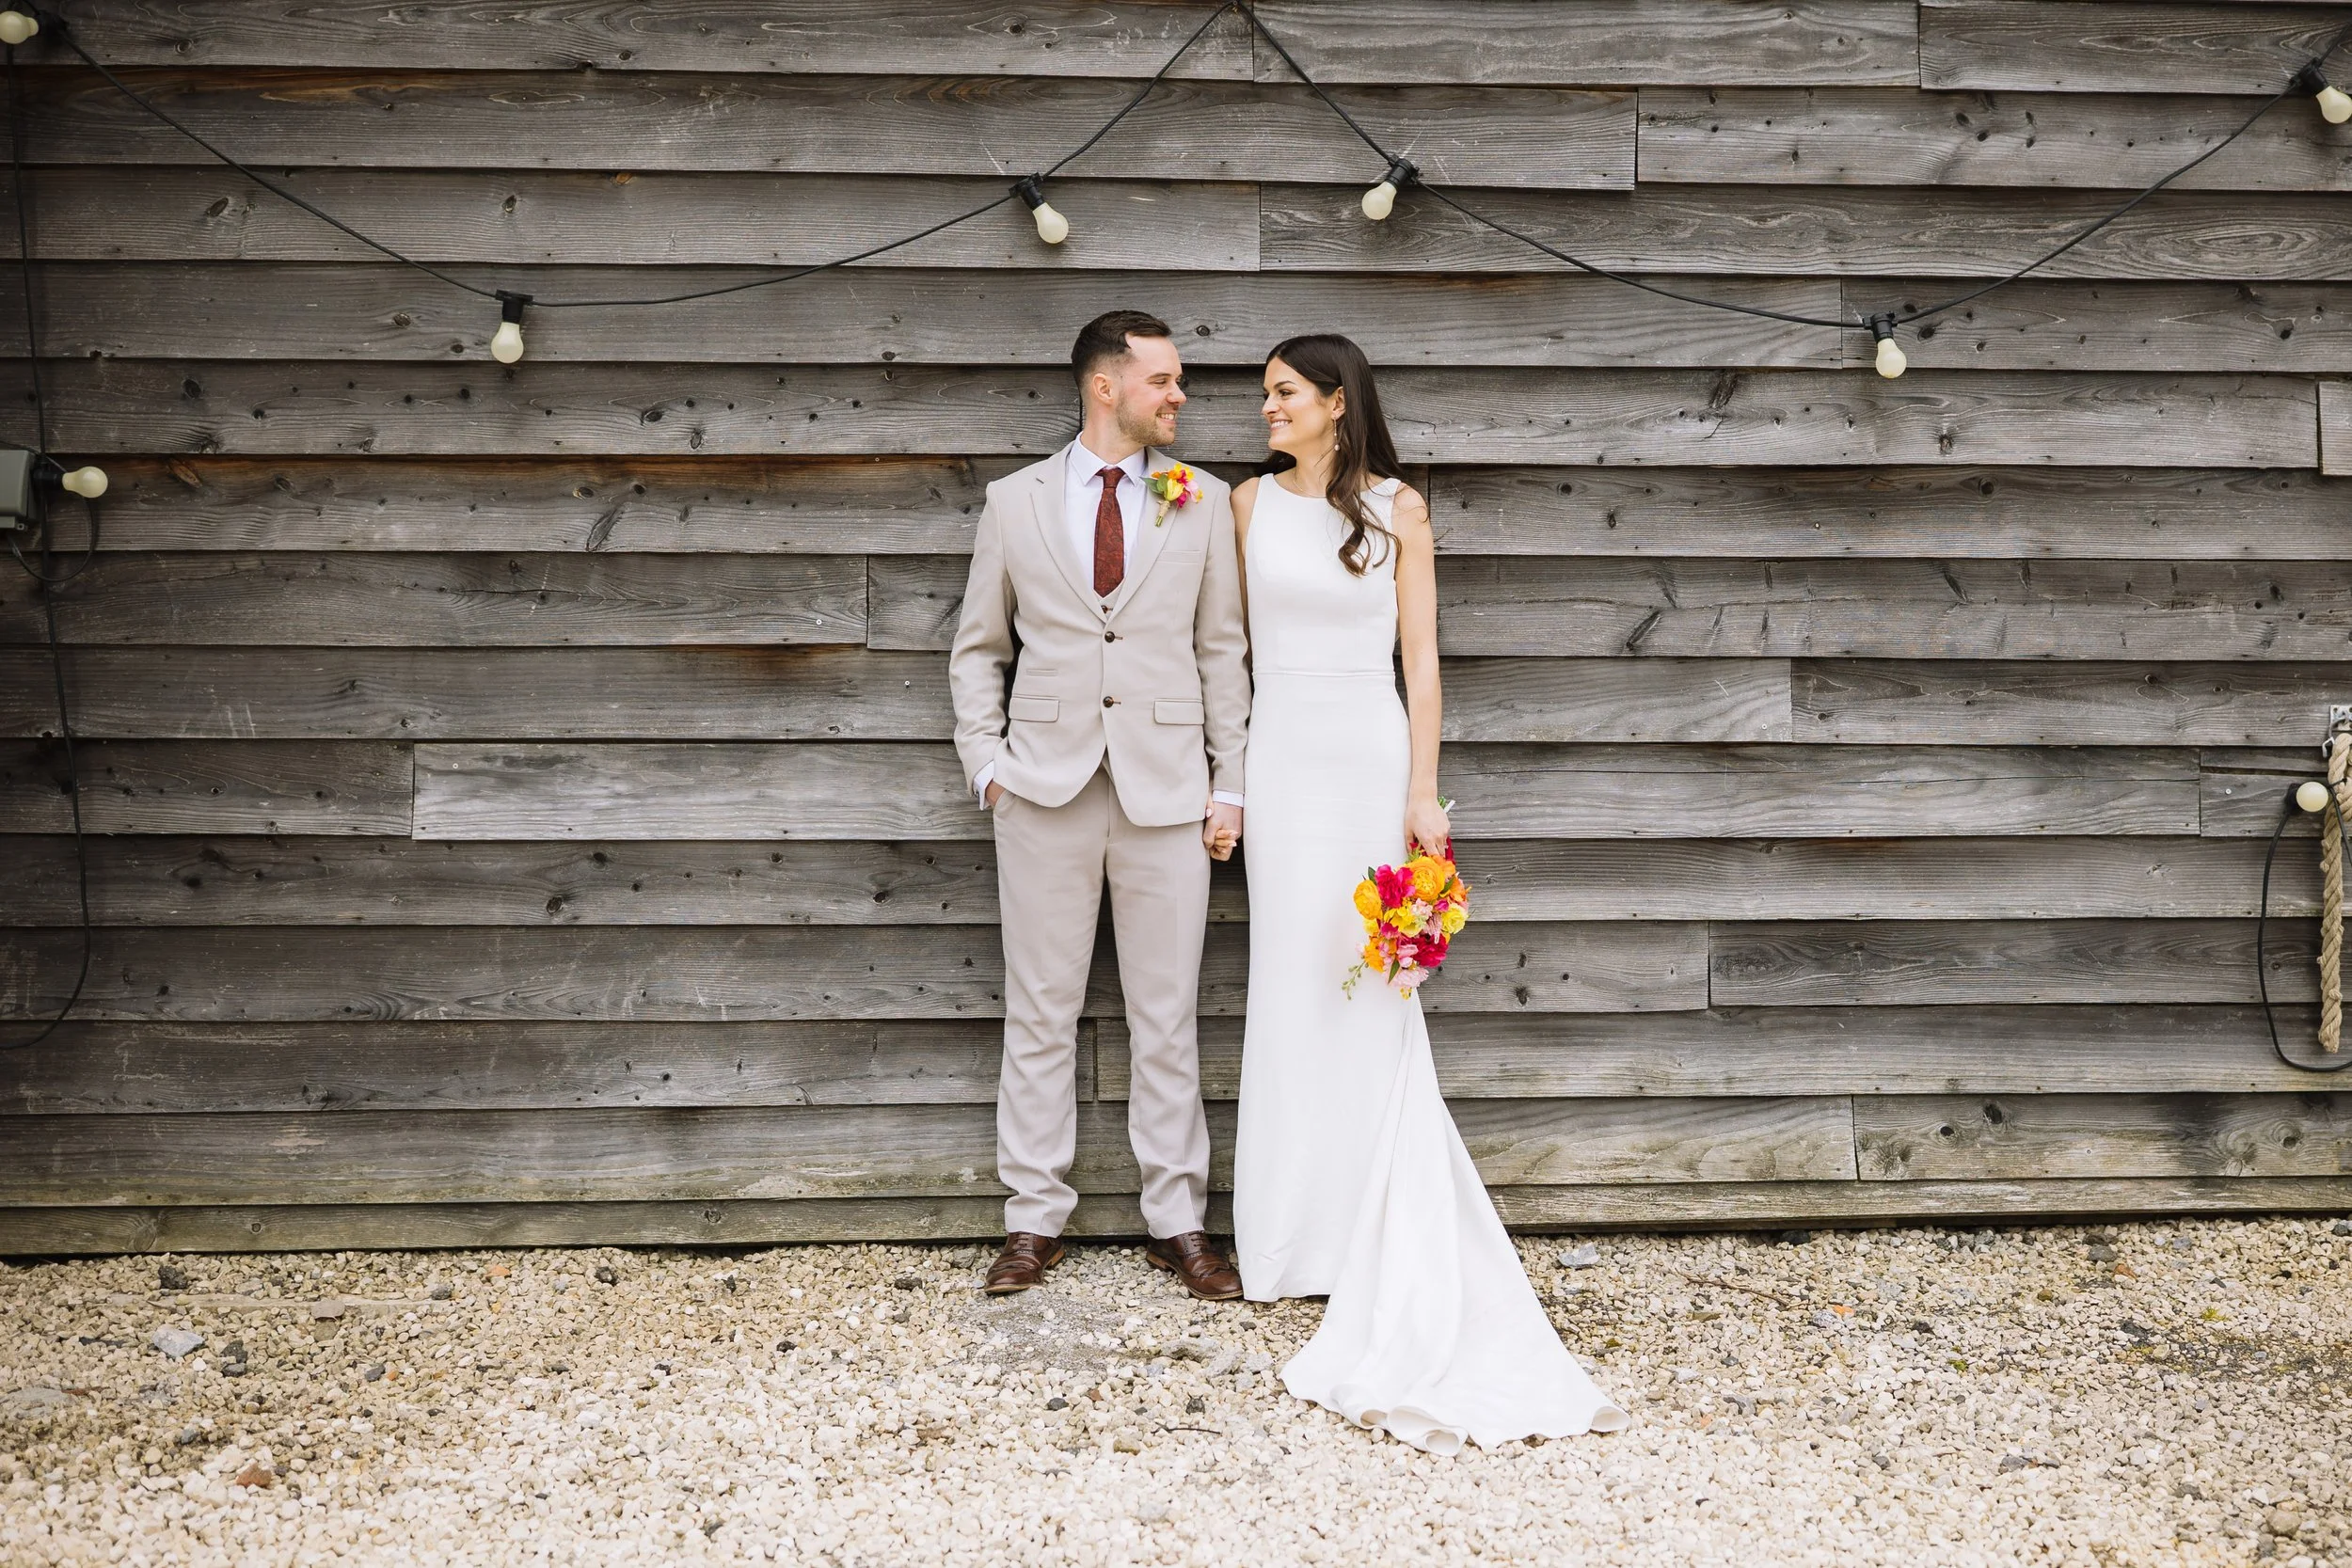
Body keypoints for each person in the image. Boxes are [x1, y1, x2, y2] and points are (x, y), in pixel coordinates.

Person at [1229, 333, 1629, 1451]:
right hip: (1280, 755)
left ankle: (1368, 1230)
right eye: (1266, 395)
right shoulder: (1245, 508)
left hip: (1364, 749)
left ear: (1337, 403)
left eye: (1283, 393)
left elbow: (1424, 659)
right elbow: (1224, 644)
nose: (1266, 409)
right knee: (1289, 977)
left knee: (1370, 983)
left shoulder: (1399, 508)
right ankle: (1287, 1237)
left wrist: (1421, 790)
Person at [948, 309, 1250, 1301]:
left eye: (1180, 381)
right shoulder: (1013, 501)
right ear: (1104, 385)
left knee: (1166, 1015)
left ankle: (1179, 1219)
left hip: (1167, 791)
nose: (1180, 397)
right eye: (1163, 380)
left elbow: (1221, 653)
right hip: (1042, 785)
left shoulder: (1200, 500)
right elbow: (979, 650)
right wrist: (987, 763)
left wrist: (1227, 780)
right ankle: (1032, 1219)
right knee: (1040, 1010)